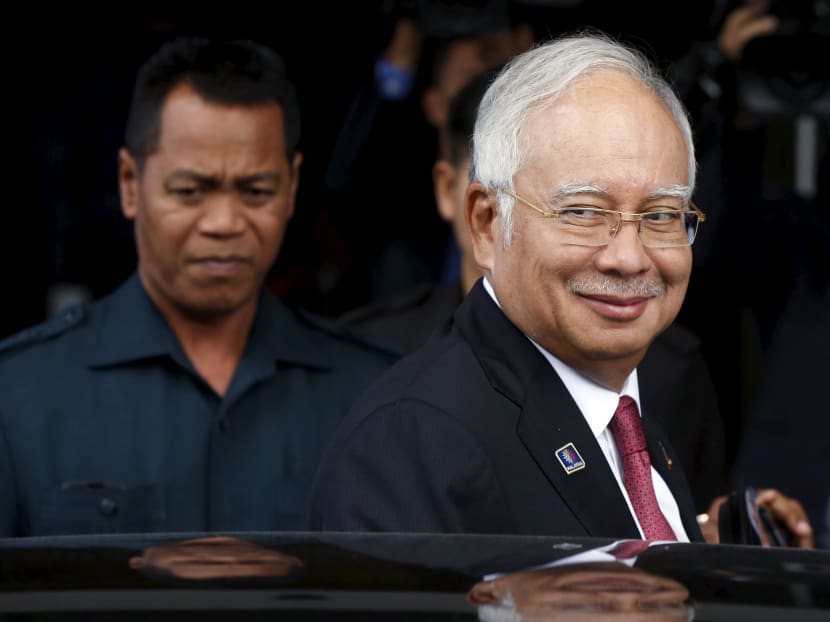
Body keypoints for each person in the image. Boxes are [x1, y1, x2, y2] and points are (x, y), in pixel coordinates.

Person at [309, 31, 813, 545]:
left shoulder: (632, 422)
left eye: (661, 215)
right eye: (583, 213)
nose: (629, 257)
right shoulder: (412, 442)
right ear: (486, 223)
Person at [0, 37, 396, 537]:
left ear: (292, 187)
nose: (225, 222)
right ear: (129, 183)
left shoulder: (373, 394)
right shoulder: (18, 398)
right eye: (190, 191)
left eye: (256, 191)